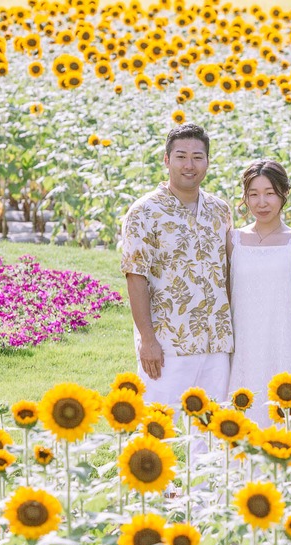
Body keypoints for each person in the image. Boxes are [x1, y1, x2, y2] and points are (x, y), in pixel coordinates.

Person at [120, 123, 233, 411]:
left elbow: (228, 274)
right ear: (167, 160)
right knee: (161, 427)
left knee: (210, 432)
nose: (189, 165)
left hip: (216, 342)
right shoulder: (144, 212)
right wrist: (148, 341)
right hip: (168, 344)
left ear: (207, 161)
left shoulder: (220, 210)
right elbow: (136, 278)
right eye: (181, 156)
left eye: (198, 157)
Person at [227, 159, 291, 426]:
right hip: (244, 345)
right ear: (245, 198)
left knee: (286, 418)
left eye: (269, 193)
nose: (261, 202)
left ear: (284, 194)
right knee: (243, 416)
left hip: (286, 343)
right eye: (253, 195)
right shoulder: (233, 241)